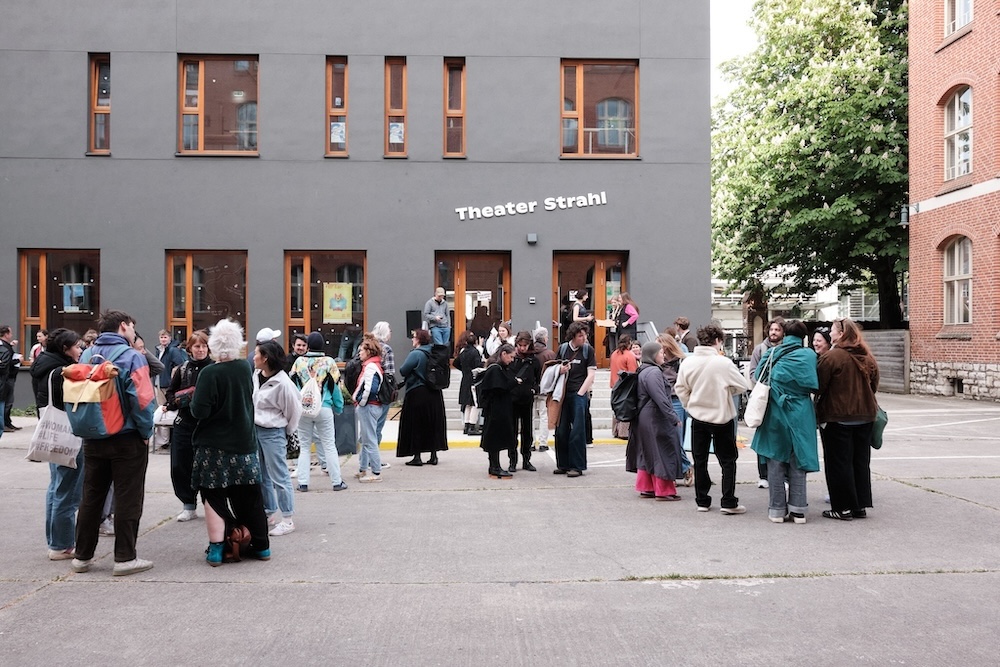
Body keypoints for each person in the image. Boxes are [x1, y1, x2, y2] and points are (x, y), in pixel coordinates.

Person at [71, 310, 157, 576]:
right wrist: (146, 432)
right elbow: (142, 401)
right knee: (128, 497)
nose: (133, 331)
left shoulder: (87, 354)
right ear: (123, 326)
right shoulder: (132, 356)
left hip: (93, 436)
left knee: (91, 497)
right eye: (132, 326)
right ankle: (124, 558)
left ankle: (82, 556)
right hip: (127, 438)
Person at [190, 319, 269, 565]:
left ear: (213, 345)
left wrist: (191, 401)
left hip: (213, 446)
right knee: (250, 495)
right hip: (244, 443)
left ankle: (216, 549)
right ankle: (261, 546)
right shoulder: (244, 369)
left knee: (213, 495)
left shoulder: (209, 373)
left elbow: (199, 411)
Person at [675, 324, 750, 515]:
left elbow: (680, 388)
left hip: (698, 416)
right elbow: (742, 384)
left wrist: (690, 403)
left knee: (700, 460)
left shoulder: (687, 362)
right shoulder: (722, 363)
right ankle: (728, 501)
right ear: (717, 341)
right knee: (728, 460)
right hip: (722, 416)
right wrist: (725, 390)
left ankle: (702, 500)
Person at [750, 320, 819, 524]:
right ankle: (798, 510)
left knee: (775, 458)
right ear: (803, 337)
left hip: (776, 410)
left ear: (784, 334)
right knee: (798, 457)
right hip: (801, 411)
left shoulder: (772, 353)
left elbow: (758, 376)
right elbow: (817, 381)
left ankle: (777, 510)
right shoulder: (809, 355)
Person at [816, 318, 880, 521]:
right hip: (866, 415)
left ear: (841, 334)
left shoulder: (832, 357)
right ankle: (859, 505)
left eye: (833, 330)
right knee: (860, 462)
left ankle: (842, 507)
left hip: (838, 416)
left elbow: (819, 385)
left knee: (838, 463)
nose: (830, 333)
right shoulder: (867, 356)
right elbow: (874, 384)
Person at [30, 328, 83, 560]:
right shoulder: (61, 372)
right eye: (77, 346)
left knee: (56, 488)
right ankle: (61, 545)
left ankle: (55, 541)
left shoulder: (42, 365)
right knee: (67, 492)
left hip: (51, 434)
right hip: (67, 435)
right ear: (65, 349)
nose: (80, 350)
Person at [252, 339, 302, 537]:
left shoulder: (283, 383)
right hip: (256, 429)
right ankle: (269, 512)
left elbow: (294, 410)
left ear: (266, 358)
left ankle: (288, 519)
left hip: (273, 433)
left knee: (279, 476)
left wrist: (286, 431)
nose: (253, 356)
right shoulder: (257, 374)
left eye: (257, 353)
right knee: (261, 474)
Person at [165, 330, 213, 522]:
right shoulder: (183, 369)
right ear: (190, 349)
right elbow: (170, 393)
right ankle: (188, 504)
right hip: (184, 423)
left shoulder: (214, 368)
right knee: (181, 465)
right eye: (197, 346)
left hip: (208, 425)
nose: (201, 350)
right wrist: (179, 400)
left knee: (208, 467)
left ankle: (211, 504)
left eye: (203, 346)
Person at [626, 341, 683, 501]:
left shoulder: (643, 370)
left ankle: (647, 487)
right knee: (662, 451)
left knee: (647, 452)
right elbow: (661, 397)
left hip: (644, 416)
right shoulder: (654, 372)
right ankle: (664, 491)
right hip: (655, 417)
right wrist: (673, 417)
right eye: (660, 353)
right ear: (653, 355)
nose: (663, 355)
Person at [290, 332, 346, 492]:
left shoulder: (299, 362)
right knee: (329, 445)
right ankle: (337, 482)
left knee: (305, 447)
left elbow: (292, 387)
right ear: (323, 345)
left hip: (304, 410)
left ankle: (303, 482)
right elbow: (336, 388)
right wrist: (339, 407)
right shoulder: (328, 362)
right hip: (324, 408)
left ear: (308, 345)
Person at [396, 329, 448, 466]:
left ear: (419, 339)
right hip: (434, 391)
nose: (412, 339)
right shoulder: (434, 352)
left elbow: (403, 370)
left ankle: (417, 456)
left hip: (417, 391)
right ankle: (433, 455)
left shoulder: (416, 354)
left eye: (413, 337)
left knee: (416, 424)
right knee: (432, 423)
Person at [553, 322, 596, 477]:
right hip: (563, 394)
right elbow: (554, 368)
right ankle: (563, 464)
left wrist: (580, 393)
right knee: (561, 429)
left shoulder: (587, 351)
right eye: (580, 335)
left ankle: (577, 466)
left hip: (578, 394)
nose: (584, 338)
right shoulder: (563, 349)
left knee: (578, 431)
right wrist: (561, 369)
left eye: (585, 335)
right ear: (573, 336)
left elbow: (591, 374)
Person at [748, 317, 786, 489]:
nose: (773, 332)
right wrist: (761, 388)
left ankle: (782, 475)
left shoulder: (788, 349)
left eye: (777, 330)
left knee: (782, 437)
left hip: (781, 399)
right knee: (763, 436)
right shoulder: (760, 349)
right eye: (772, 329)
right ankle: (763, 474)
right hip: (764, 399)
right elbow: (752, 373)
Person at [657, 332, 693, 487]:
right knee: (667, 439)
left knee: (675, 438)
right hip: (663, 402)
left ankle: (685, 467)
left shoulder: (681, 362)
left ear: (667, 346)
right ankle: (680, 469)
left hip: (677, 401)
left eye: (660, 345)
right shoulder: (657, 363)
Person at [477, 343, 517, 479]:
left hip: (496, 409)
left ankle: (494, 466)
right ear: (503, 354)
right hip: (496, 410)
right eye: (510, 357)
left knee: (495, 439)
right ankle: (495, 467)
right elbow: (501, 387)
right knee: (495, 439)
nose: (511, 360)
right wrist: (515, 382)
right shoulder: (495, 370)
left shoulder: (497, 368)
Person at [352, 334, 385, 483]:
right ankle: (363, 468)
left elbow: (370, 389)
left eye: (361, 351)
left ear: (369, 351)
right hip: (373, 406)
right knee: (365, 438)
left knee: (369, 439)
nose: (359, 353)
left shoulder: (370, 366)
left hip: (369, 406)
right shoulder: (374, 364)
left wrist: (361, 402)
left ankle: (376, 472)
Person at [509, 331, 541, 472]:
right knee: (512, 431)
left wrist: (534, 389)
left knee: (527, 431)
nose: (522, 348)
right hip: (512, 399)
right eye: (520, 345)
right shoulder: (512, 358)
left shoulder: (534, 360)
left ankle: (526, 459)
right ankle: (512, 460)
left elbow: (538, 378)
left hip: (527, 399)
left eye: (525, 345)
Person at [370, 321, 396, 462]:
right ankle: (374, 461)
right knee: (377, 427)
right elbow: (390, 374)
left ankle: (365, 460)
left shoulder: (365, 346)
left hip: (366, 393)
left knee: (368, 428)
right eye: (390, 330)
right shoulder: (386, 349)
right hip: (381, 393)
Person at [453, 330, 483, 435]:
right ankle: (472, 426)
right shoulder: (475, 352)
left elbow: (455, 363)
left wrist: (464, 369)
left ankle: (466, 426)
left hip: (465, 379)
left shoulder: (463, 351)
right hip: (474, 380)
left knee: (467, 404)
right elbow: (478, 366)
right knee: (475, 403)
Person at [531, 327, 557, 451]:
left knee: (530, 416)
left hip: (530, 389)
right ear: (545, 338)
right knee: (543, 415)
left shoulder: (529, 353)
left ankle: (530, 442)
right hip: (544, 389)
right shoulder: (549, 354)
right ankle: (543, 442)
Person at [609, 334, 638, 440]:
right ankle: (623, 432)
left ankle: (615, 430)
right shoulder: (629, 356)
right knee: (625, 409)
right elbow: (632, 373)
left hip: (615, 384)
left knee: (616, 408)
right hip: (626, 387)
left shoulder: (614, 354)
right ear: (629, 343)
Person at [154, 330, 187, 405]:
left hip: (168, 385)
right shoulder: (159, 350)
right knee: (161, 406)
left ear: (170, 338)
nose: (163, 339)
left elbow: (180, 365)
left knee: (169, 405)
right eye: (161, 337)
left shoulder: (173, 350)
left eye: (165, 337)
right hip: (158, 383)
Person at [1, 326, 21, 432]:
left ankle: (7, 422)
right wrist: (17, 360)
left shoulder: (6, 346)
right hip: (7, 378)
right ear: (6, 334)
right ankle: (4, 424)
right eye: (10, 333)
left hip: (10, 376)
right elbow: (6, 363)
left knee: (9, 401)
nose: (12, 335)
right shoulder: (3, 347)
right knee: (6, 401)